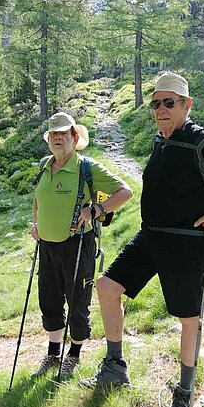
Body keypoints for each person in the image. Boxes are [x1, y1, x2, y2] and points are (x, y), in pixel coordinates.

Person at [80, 72, 204, 407]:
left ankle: (184, 394)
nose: (161, 110)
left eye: (169, 102)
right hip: (151, 237)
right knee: (106, 286)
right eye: (156, 103)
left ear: (186, 105)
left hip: (185, 243)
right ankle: (115, 365)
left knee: (188, 319)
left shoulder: (203, 142)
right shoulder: (160, 140)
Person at [30, 111, 132, 379]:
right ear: (48, 139)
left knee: (77, 300)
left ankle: (73, 355)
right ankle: (53, 354)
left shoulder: (87, 167)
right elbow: (38, 198)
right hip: (47, 247)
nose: (58, 138)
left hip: (77, 244)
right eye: (54, 134)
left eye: (64, 133)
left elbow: (125, 191)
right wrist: (36, 224)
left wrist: (97, 209)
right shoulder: (44, 165)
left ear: (75, 137)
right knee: (49, 299)